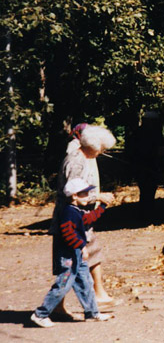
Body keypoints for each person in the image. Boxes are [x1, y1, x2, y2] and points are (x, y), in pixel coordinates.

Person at [51, 125, 117, 314]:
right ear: (93, 145)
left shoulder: (82, 159)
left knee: (91, 253)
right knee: (67, 264)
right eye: (101, 148)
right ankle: (55, 306)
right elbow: (73, 191)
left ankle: (98, 295)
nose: (102, 151)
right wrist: (98, 197)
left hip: (81, 219)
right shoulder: (76, 162)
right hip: (70, 220)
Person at [31, 178, 112, 327]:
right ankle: (40, 314)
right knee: (63, 284)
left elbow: (87, 219)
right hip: (68, 255)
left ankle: (92, 313)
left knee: (86, 282)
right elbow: (68, 232)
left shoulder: (77, 211)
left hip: (76, 255)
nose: (88, 196)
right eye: (84, 194)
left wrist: (102, 207)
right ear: (74, 196)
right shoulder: (68, 212)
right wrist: (81, 246)